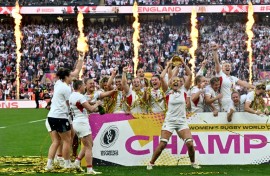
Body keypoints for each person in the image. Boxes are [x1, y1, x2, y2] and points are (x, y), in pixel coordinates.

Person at [147, 76, 200, 170]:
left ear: (181, 83)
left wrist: (183, 63)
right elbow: (162, 77)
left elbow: (190, 75)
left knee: (190, 144)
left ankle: (193, 163)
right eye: (173, 81)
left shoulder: (184, 91)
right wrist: (170, 64)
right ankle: (151, 163)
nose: (176, 82)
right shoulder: (167, 92)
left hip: (181, 122)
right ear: (170, 83)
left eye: (178, 81)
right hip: (170, 121)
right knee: (162, 144)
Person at [69, 80, 102, 174]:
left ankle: (77, 162)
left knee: (89, 144)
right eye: (83, 85)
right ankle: (89, 169)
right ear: (79, 86)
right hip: (82, 122)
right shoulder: (80, 96)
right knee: (88, 146)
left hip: (76, 122)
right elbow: (91, 109)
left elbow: (83, 104)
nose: (84, 87)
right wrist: (97, 104)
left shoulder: (72, 95)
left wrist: (92, 103)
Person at [45, 68, 73, 170]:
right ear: (66, 77)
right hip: (60, 116)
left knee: (56, 141)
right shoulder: (66, 88)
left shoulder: (57, 83)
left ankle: (49, 164)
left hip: (51, 116)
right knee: (67, 140)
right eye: (70, 76)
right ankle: (67, 163)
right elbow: (68, 103)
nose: (71, 78)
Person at [212, 43, 255, 112]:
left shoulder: (233, 78)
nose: (228, 67)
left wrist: (254, 87)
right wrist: (215, 52)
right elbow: (217, 63)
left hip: (233, 100)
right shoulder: (220, 75)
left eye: (229, 66)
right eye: (225, 66)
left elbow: (244, 83)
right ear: (222, 69)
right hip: (224, 101)